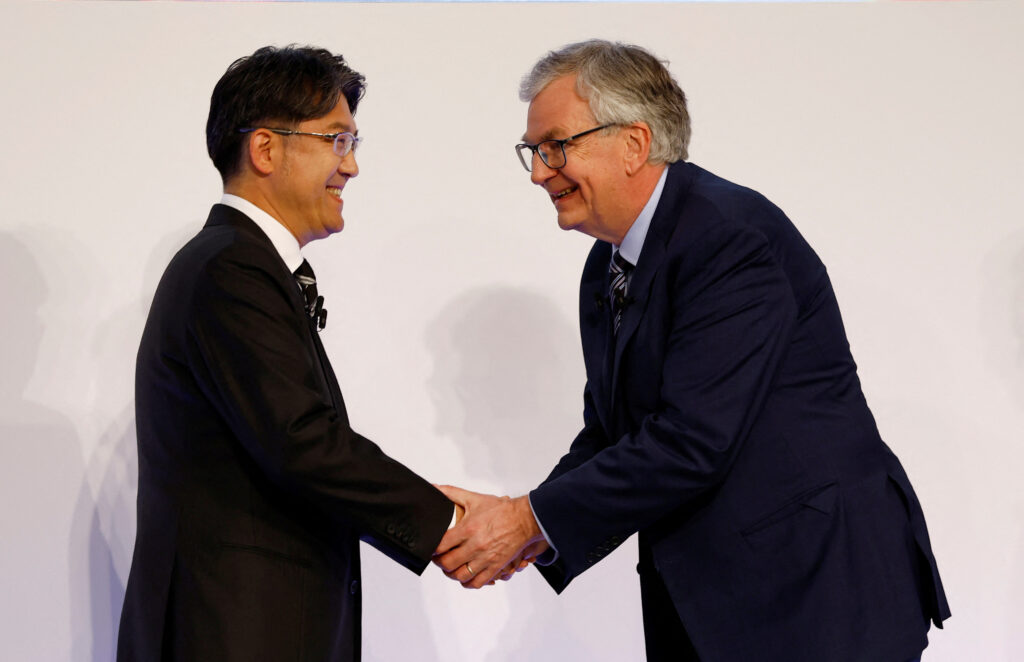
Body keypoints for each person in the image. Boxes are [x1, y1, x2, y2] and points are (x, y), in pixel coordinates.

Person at [434, 39, 949, 661]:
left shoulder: (728, 238)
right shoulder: (608, 264)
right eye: (534, 152)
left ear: (634, 142)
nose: (541, 171)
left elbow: (692, 440)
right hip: (717, 596)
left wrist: (530, 518)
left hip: (814, 593)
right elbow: (614, 431)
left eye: (556, 146)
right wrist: (531, 530)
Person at [117, 45, 457, 662]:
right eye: (337, 140)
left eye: (353, 143)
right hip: (233, 633)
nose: (350, 167)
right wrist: (450, 527)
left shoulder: (235, 262)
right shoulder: (232, 267)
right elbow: (301, 441)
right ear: (267, 148)